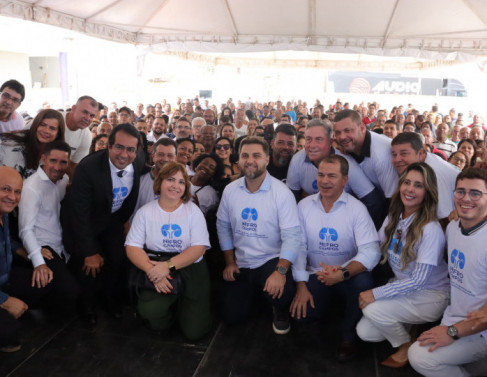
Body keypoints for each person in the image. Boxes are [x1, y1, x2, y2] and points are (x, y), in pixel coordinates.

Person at [357, 162, 450, 368]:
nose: (410, 189)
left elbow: (418, 281)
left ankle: (406, 345)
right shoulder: (395, 217)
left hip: (430, 295)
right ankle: (410, 324)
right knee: (366, 332)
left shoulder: (430, 229)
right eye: (407, 182)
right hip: (404, 288)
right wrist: (349, 265)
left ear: (427, 192)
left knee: (373, 310)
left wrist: (376, 294)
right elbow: (375, 247)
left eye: (418, 185)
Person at [290, 155, 380, 361]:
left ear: (345, 180)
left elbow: (371, 250)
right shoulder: (303, 206)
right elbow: (298, 248)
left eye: (332, 176)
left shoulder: (357, 209)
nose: (325, 181)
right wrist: (301, 286)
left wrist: (342, 272)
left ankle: (348, 336)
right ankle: (328, 307)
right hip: (316, 274)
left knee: (364, 281)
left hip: (346, 274)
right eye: (321, 175)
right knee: (300, 316)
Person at [217, 136, 301, 334]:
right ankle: (254, 295)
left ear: (267, 160)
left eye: (256, 155)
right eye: (245, 155)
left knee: (282, 293)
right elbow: (223, 227)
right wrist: (230, 262)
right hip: (242, 262)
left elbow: (292, 236)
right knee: (231, 315)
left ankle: (279, 309)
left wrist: (280, 272)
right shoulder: (230, 191)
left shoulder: (282, 193)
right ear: (238, 160)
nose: (250, 160)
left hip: (270, 260)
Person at [61, 123, 144, 325]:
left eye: (130, 149)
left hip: (111, 221)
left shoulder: (139, 161)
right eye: (119, 147)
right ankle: (86, 306)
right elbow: (78, 214)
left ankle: (111, 301)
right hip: (84, 223)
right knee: (89, 267)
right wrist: (89, 252)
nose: (124, 154)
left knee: (118, 260)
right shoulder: (87, 169)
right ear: (109, 146)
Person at [409, 168, 487, 377]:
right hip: (453, 317)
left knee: (419, 357)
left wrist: (452, 333)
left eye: (475, 193)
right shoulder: (453, 226)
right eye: (460, 191)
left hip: (480, 333)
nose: (466, 198)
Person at [126, 162, 211, 340]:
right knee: (151, 312)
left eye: (181, 182)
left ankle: (184, 308)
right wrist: (152, 271)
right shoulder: (145, 212)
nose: (176, 185)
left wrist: (168, 266)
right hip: (155, 265)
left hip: (190, 268)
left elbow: (199, 248)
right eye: (170, 179)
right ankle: (169, 312)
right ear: (160, 182)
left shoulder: (193, 212)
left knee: (194, 333)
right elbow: (132, 247)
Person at [287, 119, 387, 229]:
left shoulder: (347, 164)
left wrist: (362, 231)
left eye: (319, 140)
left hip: (346, 221)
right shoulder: (297, 161)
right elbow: (291, 202)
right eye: (308, 139)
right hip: (313, 221)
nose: (312, 145)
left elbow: (373, 202)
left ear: (330, 142)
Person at [18, 141, 80, 314]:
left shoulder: (64, 180)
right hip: (43, 247)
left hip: (62, 245)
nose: (58, 167)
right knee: (69, 294)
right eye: (53, 161)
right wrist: (38, 261)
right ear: (43, 159)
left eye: (63, 162)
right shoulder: (31, 187)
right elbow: (25, 229)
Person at [391, 132, 458, 223]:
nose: (397, 160)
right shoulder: (424, 162)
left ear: (421, 153)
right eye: (394, 155)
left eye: (404, 154)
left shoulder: (434, 174)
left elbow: (445, 218)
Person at [333, 109, 398, 200]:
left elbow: (393, 200)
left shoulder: (381, 156)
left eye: (347, 130)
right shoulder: (348, 145)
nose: (342, 137)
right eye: (337, 132)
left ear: (362, 128)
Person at [0, 109, 65, 179]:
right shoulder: (12, 145)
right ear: (35, 125)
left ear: (58, 134)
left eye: (52, 128)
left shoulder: (57, 156)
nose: (46, 130)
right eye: (42, 125)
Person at [64, 96, 97, 175]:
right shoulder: (52, 119)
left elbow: (73, 167)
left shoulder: (86, 136)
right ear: (73, 109)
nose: (87, 118)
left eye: (92, 116)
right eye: (85, 112)